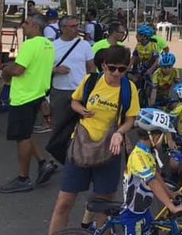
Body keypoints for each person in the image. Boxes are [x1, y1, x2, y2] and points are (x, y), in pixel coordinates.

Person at [47, 46, 140, 234]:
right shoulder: (91, 81)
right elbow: (75, 101)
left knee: (104, 207)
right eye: (112, 68)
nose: (116, 73)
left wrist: (120, 132)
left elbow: (131, 119)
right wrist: (80, 109)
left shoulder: (128, 88)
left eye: (122, 69)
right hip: (81, 147)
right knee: (64, 202)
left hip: (109, 150)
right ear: (104, 66)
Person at [0, 14, 57, 193]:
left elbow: (18, 70)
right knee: (27, 131)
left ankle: (23, 178)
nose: (24, 26)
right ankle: (42, 162)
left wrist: (5, 69)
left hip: (23, 96)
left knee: (21, 137)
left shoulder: (30, 44)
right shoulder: (49, 45)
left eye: (27, 23)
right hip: (38, 93)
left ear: (36, 28)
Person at [119, 108, 182, 234]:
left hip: (144, 212)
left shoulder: (148, 153)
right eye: (164, 136)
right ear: (155, 137)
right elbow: (153, 183)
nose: (165, 140)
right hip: (132, 216)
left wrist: (170, 194)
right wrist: (172, 207)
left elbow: (156, 176)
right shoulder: (138, 156)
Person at [49, 16, 95, 131]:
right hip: (59, 91)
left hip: (79, 90)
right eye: (73, 26)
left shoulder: (84, 45)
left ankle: (75, 148)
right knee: (59, 125)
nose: (77, 29)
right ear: (63, 28)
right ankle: (60, 147)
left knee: (80, 125)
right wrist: (55, 69)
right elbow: (43, 68)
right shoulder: (53, 46)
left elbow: (91, 67)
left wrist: (91, 87)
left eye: (77, 25)